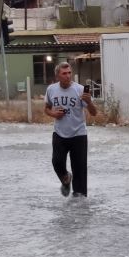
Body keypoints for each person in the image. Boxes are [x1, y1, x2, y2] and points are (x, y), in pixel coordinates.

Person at [44, 62, 97, 197]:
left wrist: (89, 102)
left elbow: (94, 113)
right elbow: (46, 108)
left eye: (69, 73)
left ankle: (79, 205)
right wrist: (54, 114)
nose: (68, 76)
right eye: (64, 74)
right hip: (59, 133)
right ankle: (66, 178)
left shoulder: (79, 90)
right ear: (57, 76)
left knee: (80, 170)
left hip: (78, 134)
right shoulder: (51, 89)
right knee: (57, 162)